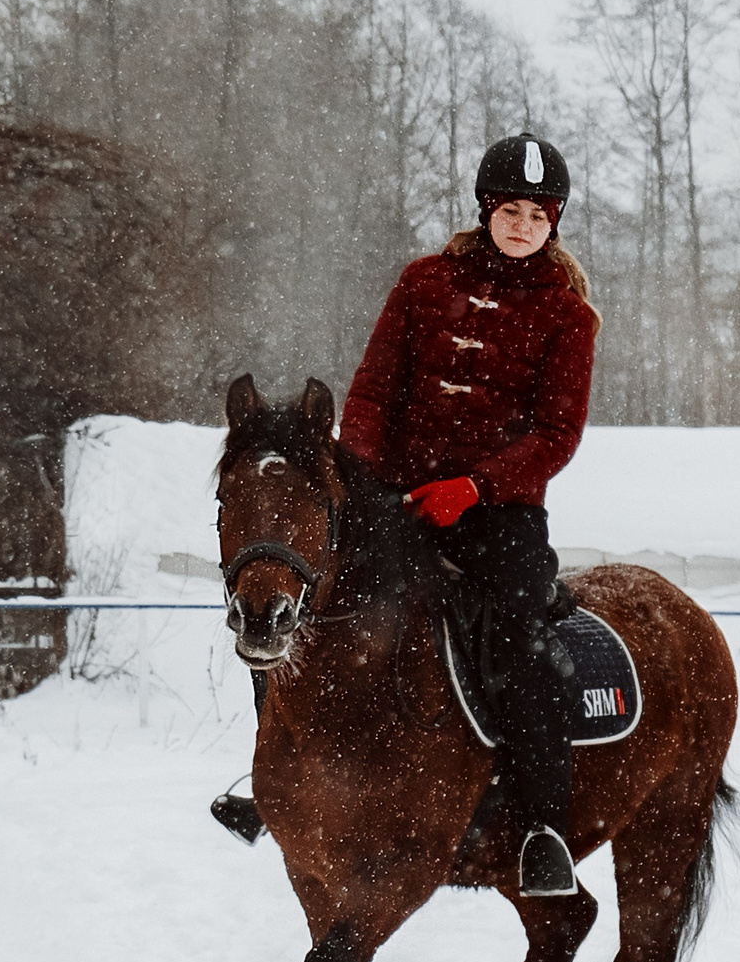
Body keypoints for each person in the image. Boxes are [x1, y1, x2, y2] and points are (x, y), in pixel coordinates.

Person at [213, 133, 596, 898]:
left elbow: (556, 435)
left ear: (553, 223)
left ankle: (542, 825)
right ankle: (276, 775)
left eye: (537, 214)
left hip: (498, 515)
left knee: (524, 633)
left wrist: (475, 487)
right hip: (391, 497)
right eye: (510, 210)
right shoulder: (422, 283)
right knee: (306, 602)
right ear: (487, 210)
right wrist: (359, 478)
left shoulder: (568, 315)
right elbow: (373, 392)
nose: (522, 225)